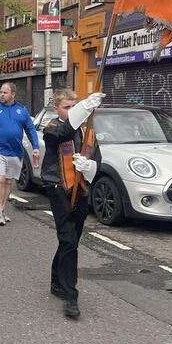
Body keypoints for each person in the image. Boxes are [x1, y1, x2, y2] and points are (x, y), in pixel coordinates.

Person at [42, 89, 104, 319]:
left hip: (82, 190)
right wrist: (84, 108)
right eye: (66, 107)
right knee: (68, 238)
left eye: (73, 106)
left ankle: (57, 281)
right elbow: (62, 133)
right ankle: (71, 297)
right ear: (57, 109)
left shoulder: (87, 132)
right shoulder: (51, 127)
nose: (70, 110)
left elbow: (98, 159)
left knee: (71, 241)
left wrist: (89, 167)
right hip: (59, 189)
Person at [0, 82, 40, 226]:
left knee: (8, 181)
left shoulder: (22, 111)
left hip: (15, 152)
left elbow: (30, 130)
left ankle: (3, 209)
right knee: (0, 179)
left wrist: (35, 147)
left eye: (5, 92)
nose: (1, 94)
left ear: (13, 94)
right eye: (1, 92)